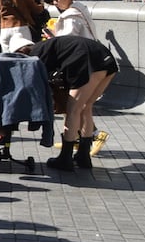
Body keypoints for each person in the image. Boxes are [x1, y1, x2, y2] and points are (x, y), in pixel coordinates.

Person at [11, 34, 118, 170]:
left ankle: (66, 158)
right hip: (105, 58)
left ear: (21, 52)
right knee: (86, 107)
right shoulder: (48, 46)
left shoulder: (35, 54)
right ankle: (83, 156)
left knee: (73, 109)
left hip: (87, 59)